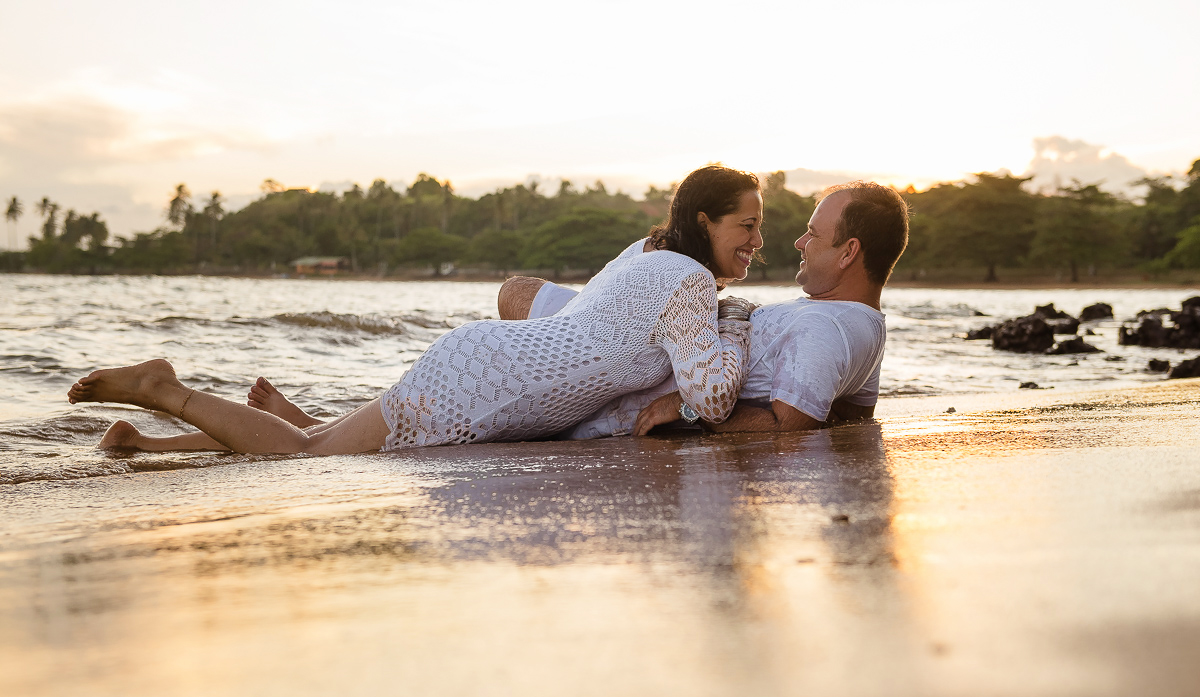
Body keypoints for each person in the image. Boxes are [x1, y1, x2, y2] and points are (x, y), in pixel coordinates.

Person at [70, 165, 763, 455]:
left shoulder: (644, 256)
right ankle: (167, 388)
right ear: (704, 221)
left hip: (485, 366)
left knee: (331, 444)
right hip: (485, 388)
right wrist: (736, 328)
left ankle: (150, 444)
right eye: (746, 226)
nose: (757, 241)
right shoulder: (691, 285)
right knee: (311, 454)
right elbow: (712, 392)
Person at [498, 181, 909, 439]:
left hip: (620, 374)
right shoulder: (865, 325)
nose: (800, 243)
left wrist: (687, 408)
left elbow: (791, 428)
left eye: (813, 235)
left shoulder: (823, 328)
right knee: (518, 292)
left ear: (848, 253)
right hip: (659, 335)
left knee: (515, 306)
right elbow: (852, 416)